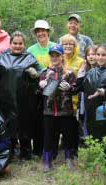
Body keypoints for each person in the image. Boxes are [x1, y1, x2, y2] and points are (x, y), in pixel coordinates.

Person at [0, 31, 41, 160]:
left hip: (25, 100)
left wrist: (36, 74)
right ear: (10, 44)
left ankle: (26, 152)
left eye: (20, 43)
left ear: (24, 44)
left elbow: (41, 72)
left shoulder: (30, 57)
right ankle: (9, 152)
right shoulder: (1, 58)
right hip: (5, 100)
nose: (17, 46)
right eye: (15, 43)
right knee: (7, 126)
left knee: (25, 126)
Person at [39, 44, 77, 172]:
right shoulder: (44, 73)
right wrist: (40, 85)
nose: (54, 58)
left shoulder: (69, 73)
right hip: (49, 111)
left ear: (62, 56)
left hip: (65, 111)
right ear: (49, 56)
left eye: (57, 55)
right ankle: (47, 161)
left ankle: (69, 159)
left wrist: (70, 88)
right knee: (49, 136)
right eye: (52, 55)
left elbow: (76, 89)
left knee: (68, 136)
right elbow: (38, 91)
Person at [27, 20, 56, 156]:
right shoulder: (31, 50)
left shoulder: (55, 46)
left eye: (43, 30)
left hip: (53, 88)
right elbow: (26, 66)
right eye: (38, 31)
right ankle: (38, 149)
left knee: (50, 119)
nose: (40, 33)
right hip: (36, 89)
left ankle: (50, 148)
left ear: (48, 32)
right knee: (37, 119)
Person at [76, 45, 97, 138]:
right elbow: (78, 87)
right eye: (88, 55)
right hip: (86, 102)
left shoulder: (100, 70)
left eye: (93, 54)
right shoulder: (85, 71)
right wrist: (81, 71)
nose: (91, 57)